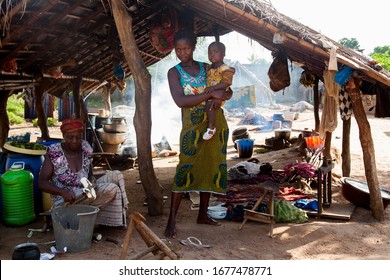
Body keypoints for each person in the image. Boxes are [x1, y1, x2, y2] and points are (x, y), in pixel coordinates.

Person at [164, 29, 232, 238]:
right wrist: (210, 94)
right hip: (192, 127)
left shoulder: (207, 67)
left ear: (193, 48)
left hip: (215, 122)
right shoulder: (174, 72)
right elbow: (180, 101)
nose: (182, 53)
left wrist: (223, 93)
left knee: (210, 164)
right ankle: (171, 220)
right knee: (185, 166)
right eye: (178, 50)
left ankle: (203, 213)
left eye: (185, 48)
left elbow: (227, 89)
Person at [38, 117, 129, 227]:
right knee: (112, 188)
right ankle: (83, 218)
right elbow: (42, 183)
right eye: (70, 137)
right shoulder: (54, 152)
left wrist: (91, 183)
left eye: (78, 137)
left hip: (85, 194)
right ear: (63, 136)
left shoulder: (85, 147)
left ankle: (114, 217)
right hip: (66, 202)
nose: (75, 141)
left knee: (117, 175)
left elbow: (89, 173)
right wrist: (62, 192)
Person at [203, 41, 235, 140]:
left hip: (220, 92)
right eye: (210, 53)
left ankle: (211, 127)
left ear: (223, 53)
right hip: (212, 93)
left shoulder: (225, 68)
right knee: (208, 104)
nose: (212, 54)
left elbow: (226, 83)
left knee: (209, 105)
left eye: (215, 52)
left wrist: (212, 88)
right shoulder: (208, 67)